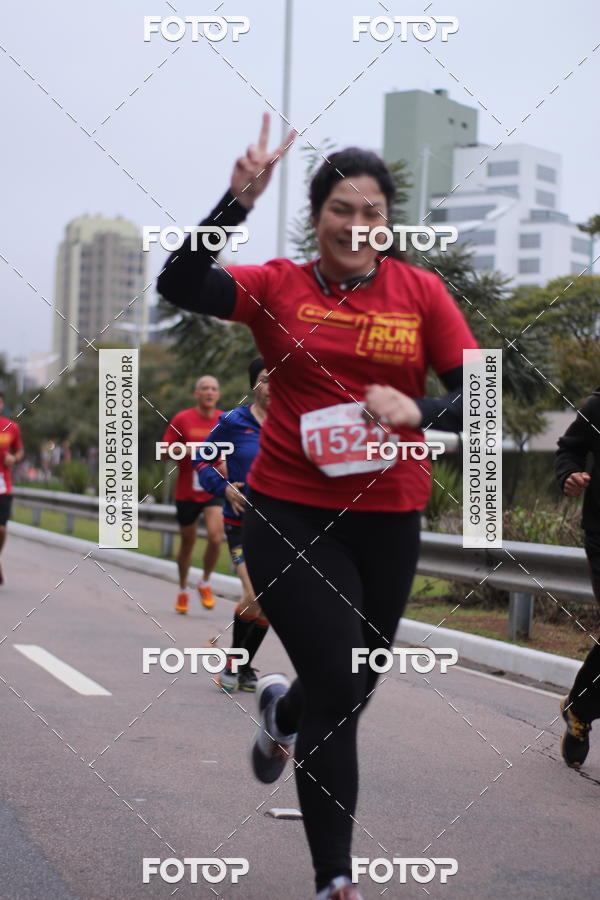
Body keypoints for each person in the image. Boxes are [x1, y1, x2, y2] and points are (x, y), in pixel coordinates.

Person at [157, 114, 477, 900]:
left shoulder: (421, 292)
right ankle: (335, 879)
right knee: (338, 679)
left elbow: (481, 396)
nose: (358, 224)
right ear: (317, 217)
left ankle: (281, 712)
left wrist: (419, 412)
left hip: (390, 514)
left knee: (351, 686)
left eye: (373, 212)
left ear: (389, 224)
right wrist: (233, 202)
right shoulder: (277, 286)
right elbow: (178, 284)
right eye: (342, 208)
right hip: (289, 510)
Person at [195, 358, 270, 693]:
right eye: (266, 380)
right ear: (254, 384)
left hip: (282, 526)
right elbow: (202, 458)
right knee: (254, 592)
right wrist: (223, 486)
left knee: (269, 600)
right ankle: (236, 663)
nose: (273, 386)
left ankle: (242, 665)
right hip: (241, 522)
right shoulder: (233, 422)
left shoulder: (295, 423)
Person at [555, 387, 600, 767]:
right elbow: (568, 449)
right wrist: (570, 474)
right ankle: (581, 711)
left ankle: (580, 707)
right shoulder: (598, 406)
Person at [159, 376, 224, 614]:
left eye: (213, 389)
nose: (209, 392)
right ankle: (183, 589)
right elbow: (164, 450)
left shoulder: (224, 420)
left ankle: (205, 582)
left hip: (213, 487)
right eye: (204, 388)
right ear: (196, 394)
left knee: (217, 537)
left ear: (218, 395)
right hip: (186, 491)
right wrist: (186, 450)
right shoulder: (182, 419)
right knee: (188, 542)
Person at [0, 393, 24, 586]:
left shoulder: (11, 427)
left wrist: (14, 459)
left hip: (3, 486)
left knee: (1, 529)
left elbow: (19, 450)